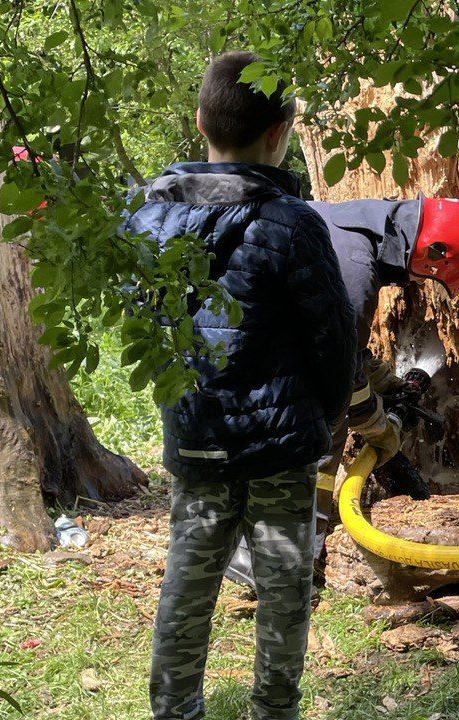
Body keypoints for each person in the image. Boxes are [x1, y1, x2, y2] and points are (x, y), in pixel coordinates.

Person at [121, 51, 356, 720]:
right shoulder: (290, 222)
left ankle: (175, 711)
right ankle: (274, 711)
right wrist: (328, 414)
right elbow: (331, 339)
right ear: (282, 132)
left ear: (199, 122)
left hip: (195, 433)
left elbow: (142, 320)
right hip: (281, 449)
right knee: (284, 588)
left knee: (189, 582)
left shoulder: (145, 216)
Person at [223, 195, 459, 587]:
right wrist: (378, 426)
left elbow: (332, 337)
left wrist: (385, 381)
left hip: (247, 345)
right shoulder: (355, 267)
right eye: (427, 275)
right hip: (262, 361)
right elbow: (337, 370)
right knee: (319, 435)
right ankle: (272, 566)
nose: (418, 282)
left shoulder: (352, 225)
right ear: (433, 252)